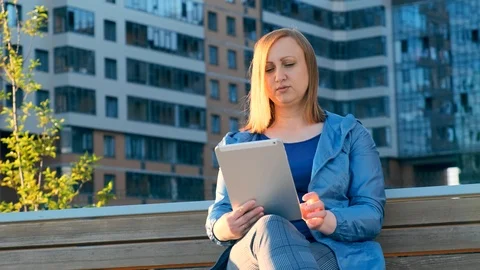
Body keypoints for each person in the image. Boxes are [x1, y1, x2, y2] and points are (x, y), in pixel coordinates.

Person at [205, 28, 386, 270]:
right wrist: (226, 227)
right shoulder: (237, 144)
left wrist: (328, 219)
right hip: (253, 255)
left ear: (309, 69)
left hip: (330, 252)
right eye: (268, 69)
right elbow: (220, 212)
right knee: (271, 226)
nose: (279, 76)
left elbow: (371, 212)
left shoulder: (350, 134)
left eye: (288, 64)